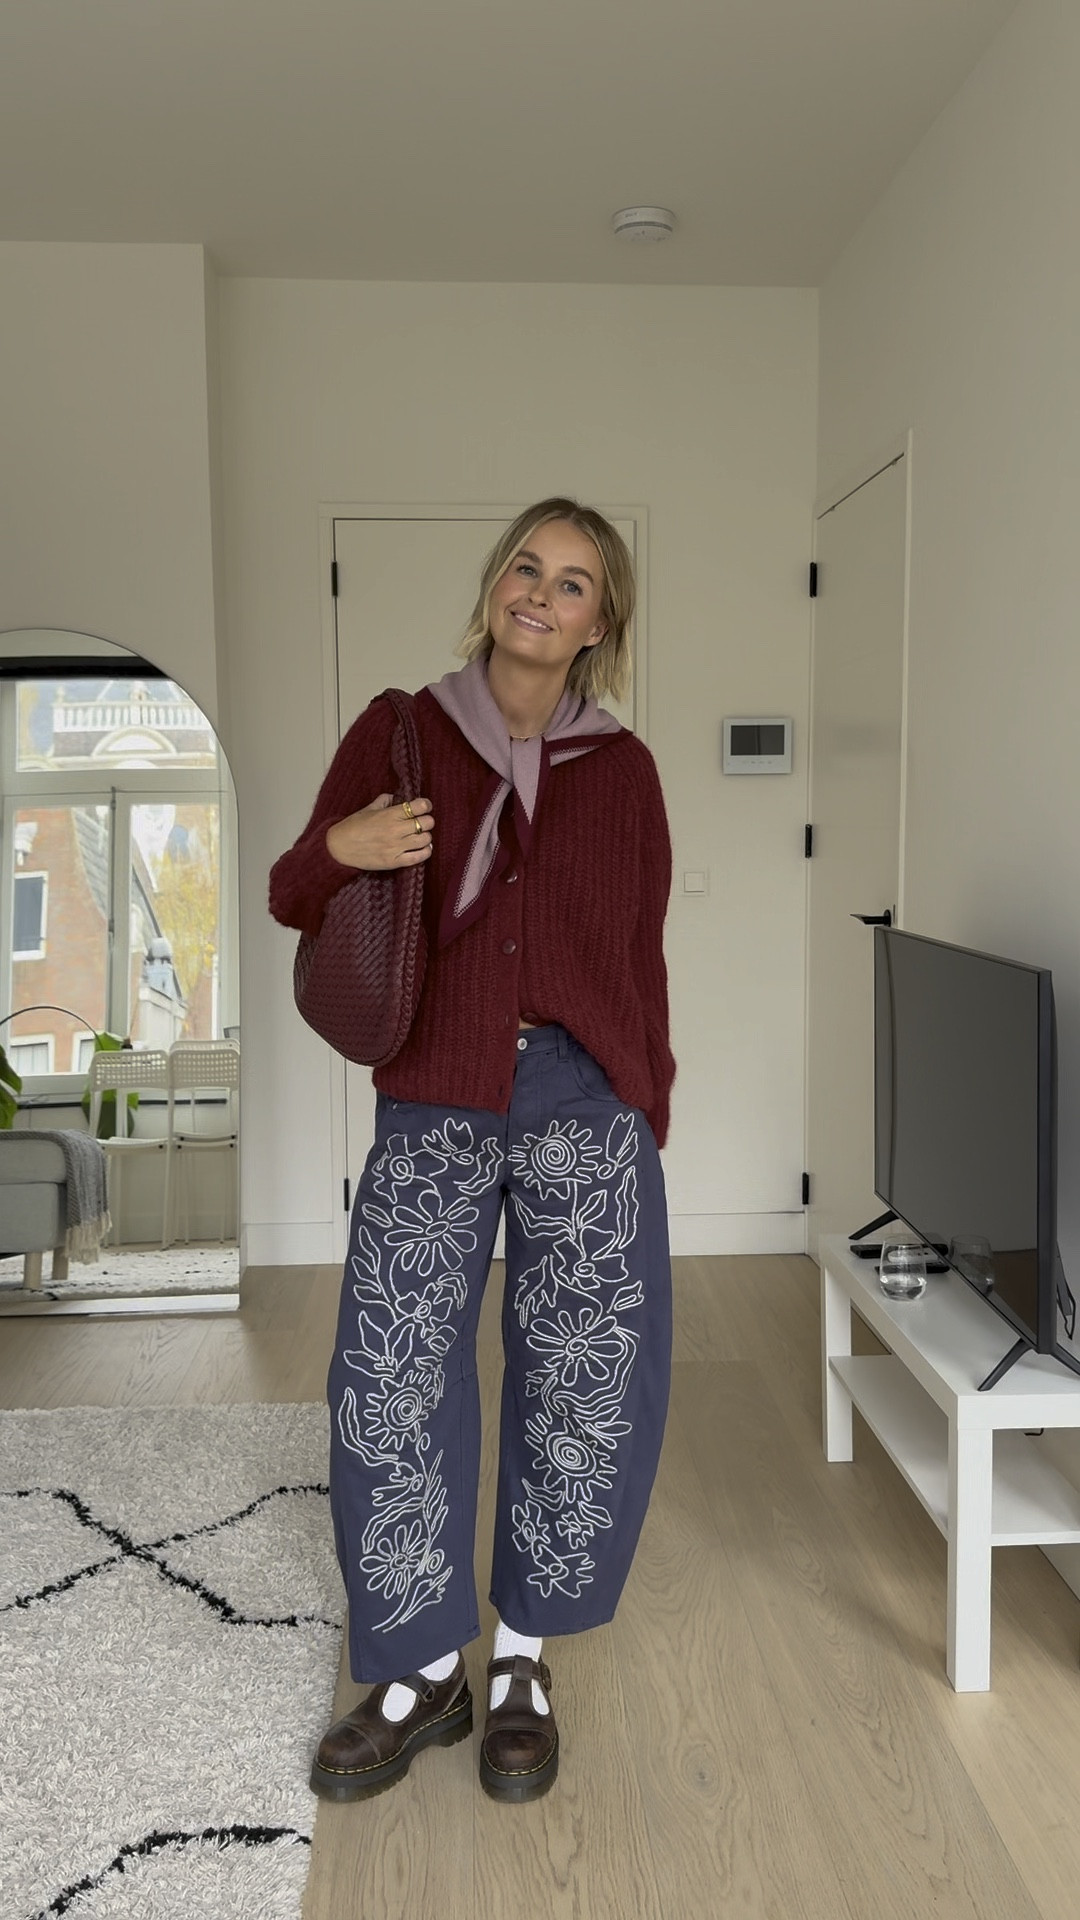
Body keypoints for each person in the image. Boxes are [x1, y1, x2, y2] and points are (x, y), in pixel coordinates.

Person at [269, 497, 675, 1805]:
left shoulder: (625, 771)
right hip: (437, 1093)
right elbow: (289, 889)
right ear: (496, 585)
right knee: (393, 1374)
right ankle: (417, 1670)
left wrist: (645, 1103)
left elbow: (639, 953)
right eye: (526, 568)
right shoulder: (404, 731)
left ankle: (520, 1664)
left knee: (582, 1381)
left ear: (600, 622)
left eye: (573, 582)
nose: (541, 595)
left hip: (583, 1100)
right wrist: (346, 846)